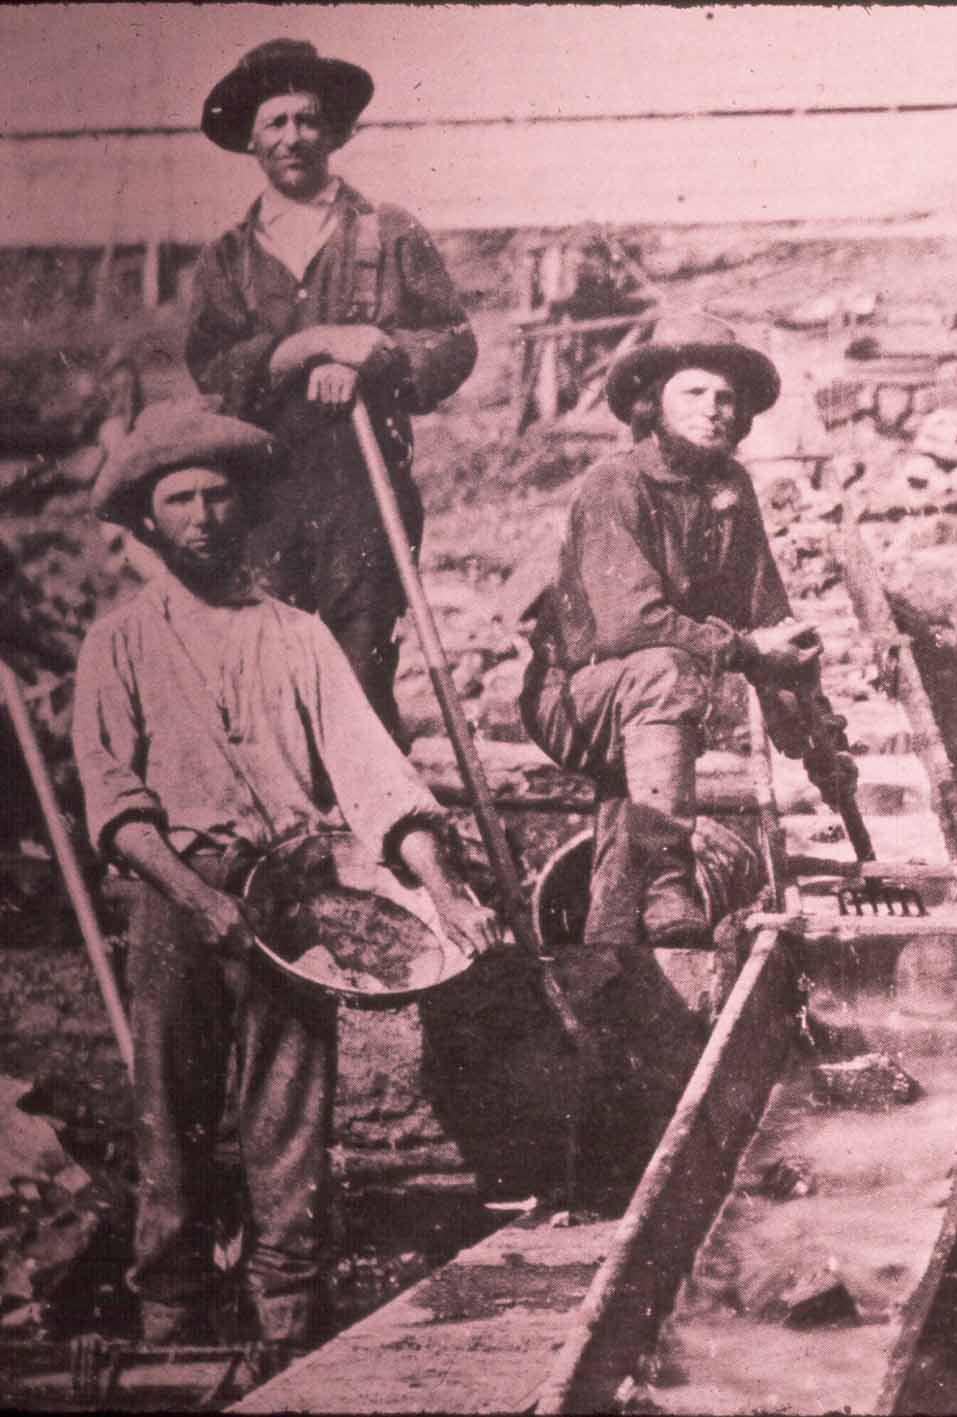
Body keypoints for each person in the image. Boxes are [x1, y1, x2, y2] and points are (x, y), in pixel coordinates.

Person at [71, 401, 497, 1347]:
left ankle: (289, 1329)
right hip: (177, 896)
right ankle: (170, 1320)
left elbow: (373, 775)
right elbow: (112, 800)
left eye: (218, 497)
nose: (202, 518)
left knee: (291, 1121)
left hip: (290, 900)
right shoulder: (120, 642)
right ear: (148, 519)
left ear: (245, 507)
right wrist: (196, 897)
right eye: (179, 500)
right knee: (171, 1114)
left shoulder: (298, 637)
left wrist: (440, 885)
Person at [519, 313, 817, 1014]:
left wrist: (808, 718)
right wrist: (744, 652)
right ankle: (669, 877)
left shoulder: (731, 490)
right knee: (667, 670)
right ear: (653, 403)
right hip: (574, 694)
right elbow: (631, 625)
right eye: (694, 393)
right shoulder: (613, 485)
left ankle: (615, 960)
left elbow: (767, 612)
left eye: (725, 398)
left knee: (633, 811)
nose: (714, 409)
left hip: (650, 706)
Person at [186, 39, 477, 741]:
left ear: (336, 133)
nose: (293, 137)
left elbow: (452, 339)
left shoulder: (387, 231)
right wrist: (311, 346)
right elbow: (212, 369)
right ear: (251, 140)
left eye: (309, 120)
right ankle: (290, 839)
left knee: (360, 667)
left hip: (363, 490)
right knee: (267, 669)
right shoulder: (228, 257)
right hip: (260, 498)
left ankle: (376, 835)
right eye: (277, 122)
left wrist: (373, 360)